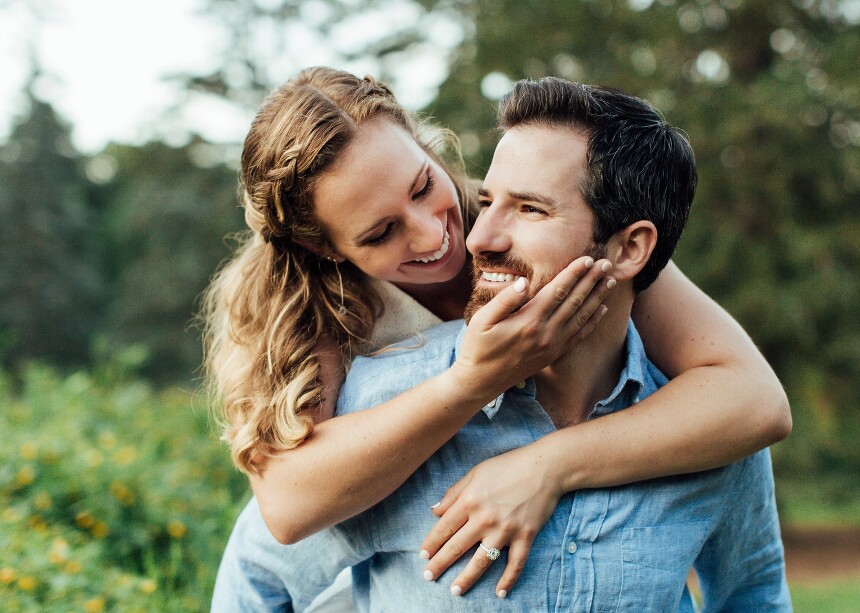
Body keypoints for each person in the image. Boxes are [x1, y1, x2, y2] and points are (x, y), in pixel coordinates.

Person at [203, 67, 791, 598]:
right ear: (323, 246)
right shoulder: (324, 325)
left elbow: (755, 400)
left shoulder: (571, 240)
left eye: (422, 187)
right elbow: (282, 511)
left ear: (428, 149)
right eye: (381, 233)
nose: (437, 236)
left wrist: (545, 464)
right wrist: (472, 382)